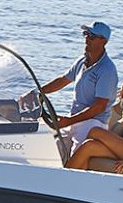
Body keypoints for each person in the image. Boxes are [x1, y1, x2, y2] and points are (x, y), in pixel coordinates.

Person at [37, 21, 118, 151]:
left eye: (92, 36)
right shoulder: (82, 61)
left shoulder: (107, 70)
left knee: (75, 157)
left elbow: (99, 107)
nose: (87, 39)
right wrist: (38, 92)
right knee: (49, 147)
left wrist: (69, 121)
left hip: (93, 124)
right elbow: (63, 80)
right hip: (74, 119)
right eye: (86, 34)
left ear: (103, 41)